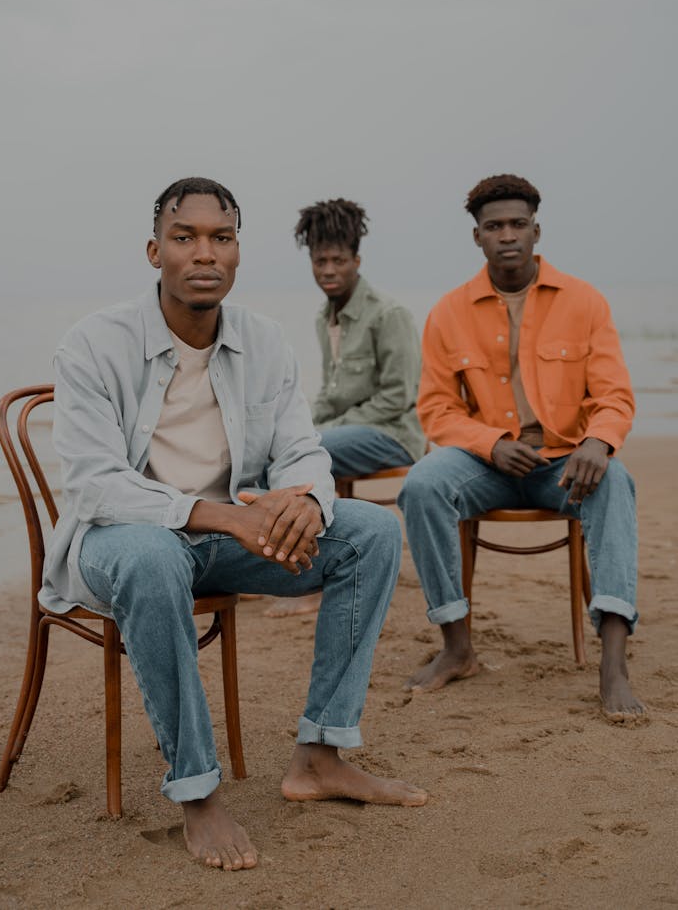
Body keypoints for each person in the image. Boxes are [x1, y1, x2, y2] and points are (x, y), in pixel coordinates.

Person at [41, 177, 427, 873]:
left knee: (369, 532)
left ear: (239, 252)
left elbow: (302, 448)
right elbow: (94, 484)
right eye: (185, 237)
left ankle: (320, 753)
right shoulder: (93, 344)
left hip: (223, 544)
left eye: (221, 237)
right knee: (156, 558)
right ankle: (197, 790)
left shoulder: (264, 341)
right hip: (121, 542)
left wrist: (308, 501)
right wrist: (222, 515)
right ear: (155, 249)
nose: (203, 253)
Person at [398, 174, 645, 724]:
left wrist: (598, 443)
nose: (506, 235)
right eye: (494, 227)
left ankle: (613, 661)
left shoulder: (584, 302)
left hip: (563, 462)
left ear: (537, 230)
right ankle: (457, 646)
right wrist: (490, 444)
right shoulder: (449, 311)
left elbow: (614, 396)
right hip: (487, 465)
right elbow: (437, 410)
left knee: (617, 483)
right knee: (421, 484)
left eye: (517, 224)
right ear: (477, 237)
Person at [265, 197, 424, 619]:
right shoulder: (324, 318)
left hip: (395, 437)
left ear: (357, 260)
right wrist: (299, 431)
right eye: (320, 262)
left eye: (338, 260)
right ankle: (270, 566)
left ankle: (313, 581)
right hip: (347, 432)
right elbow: (331, 396)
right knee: (274, 451)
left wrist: (319, 435)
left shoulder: (389, 315)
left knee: (316, 456)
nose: (328, 270)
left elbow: (398, 397)